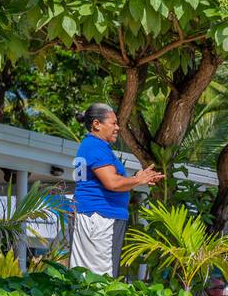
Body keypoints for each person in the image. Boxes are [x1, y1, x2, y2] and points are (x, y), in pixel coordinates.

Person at [70, 103, 163, 277]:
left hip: (98, 216)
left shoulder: (93, 146)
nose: (118, 128)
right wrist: (138, 179)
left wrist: (137, 177)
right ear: (97, 124)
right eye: (113, 123)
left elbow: (110, 179)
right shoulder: (95, 147)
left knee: (92, 275)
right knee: (99, 278)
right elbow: (112, 182)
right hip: (98, 218)